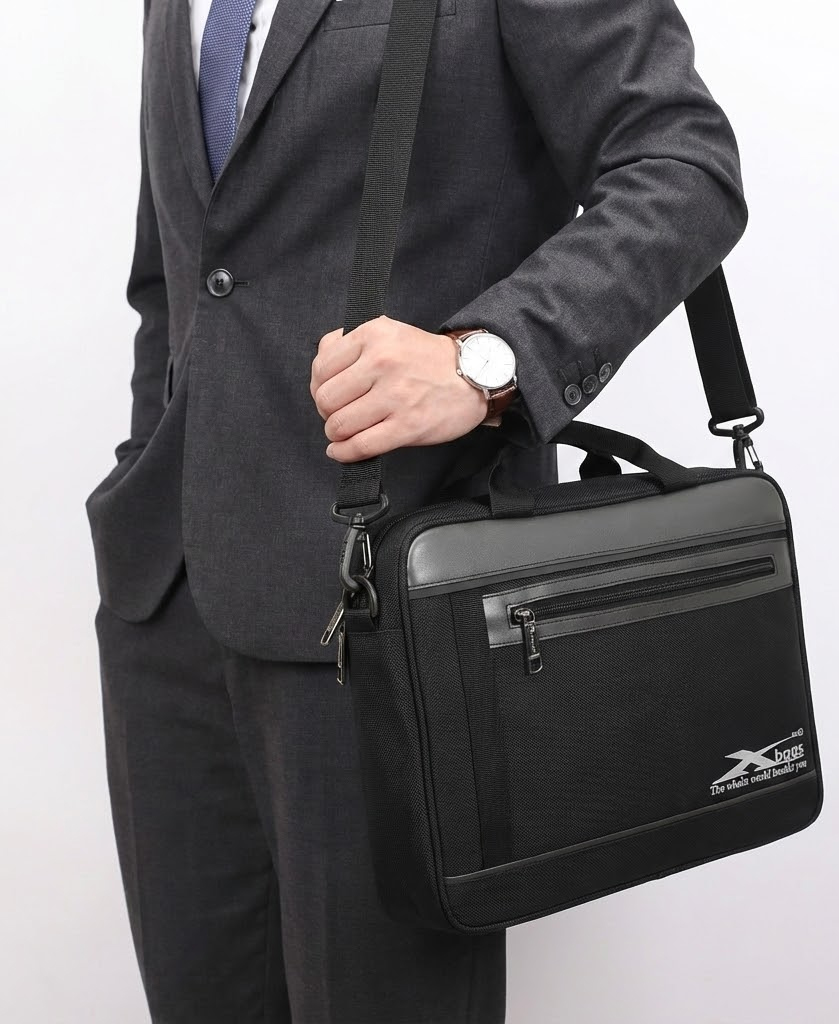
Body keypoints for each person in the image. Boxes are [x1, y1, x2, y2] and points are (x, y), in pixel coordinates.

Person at [84, 0, 747, 1020]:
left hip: (387, 605)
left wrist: (487, 360)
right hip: (167, 607)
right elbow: (178, 273)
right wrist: (141, 472)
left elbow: (683, 166)